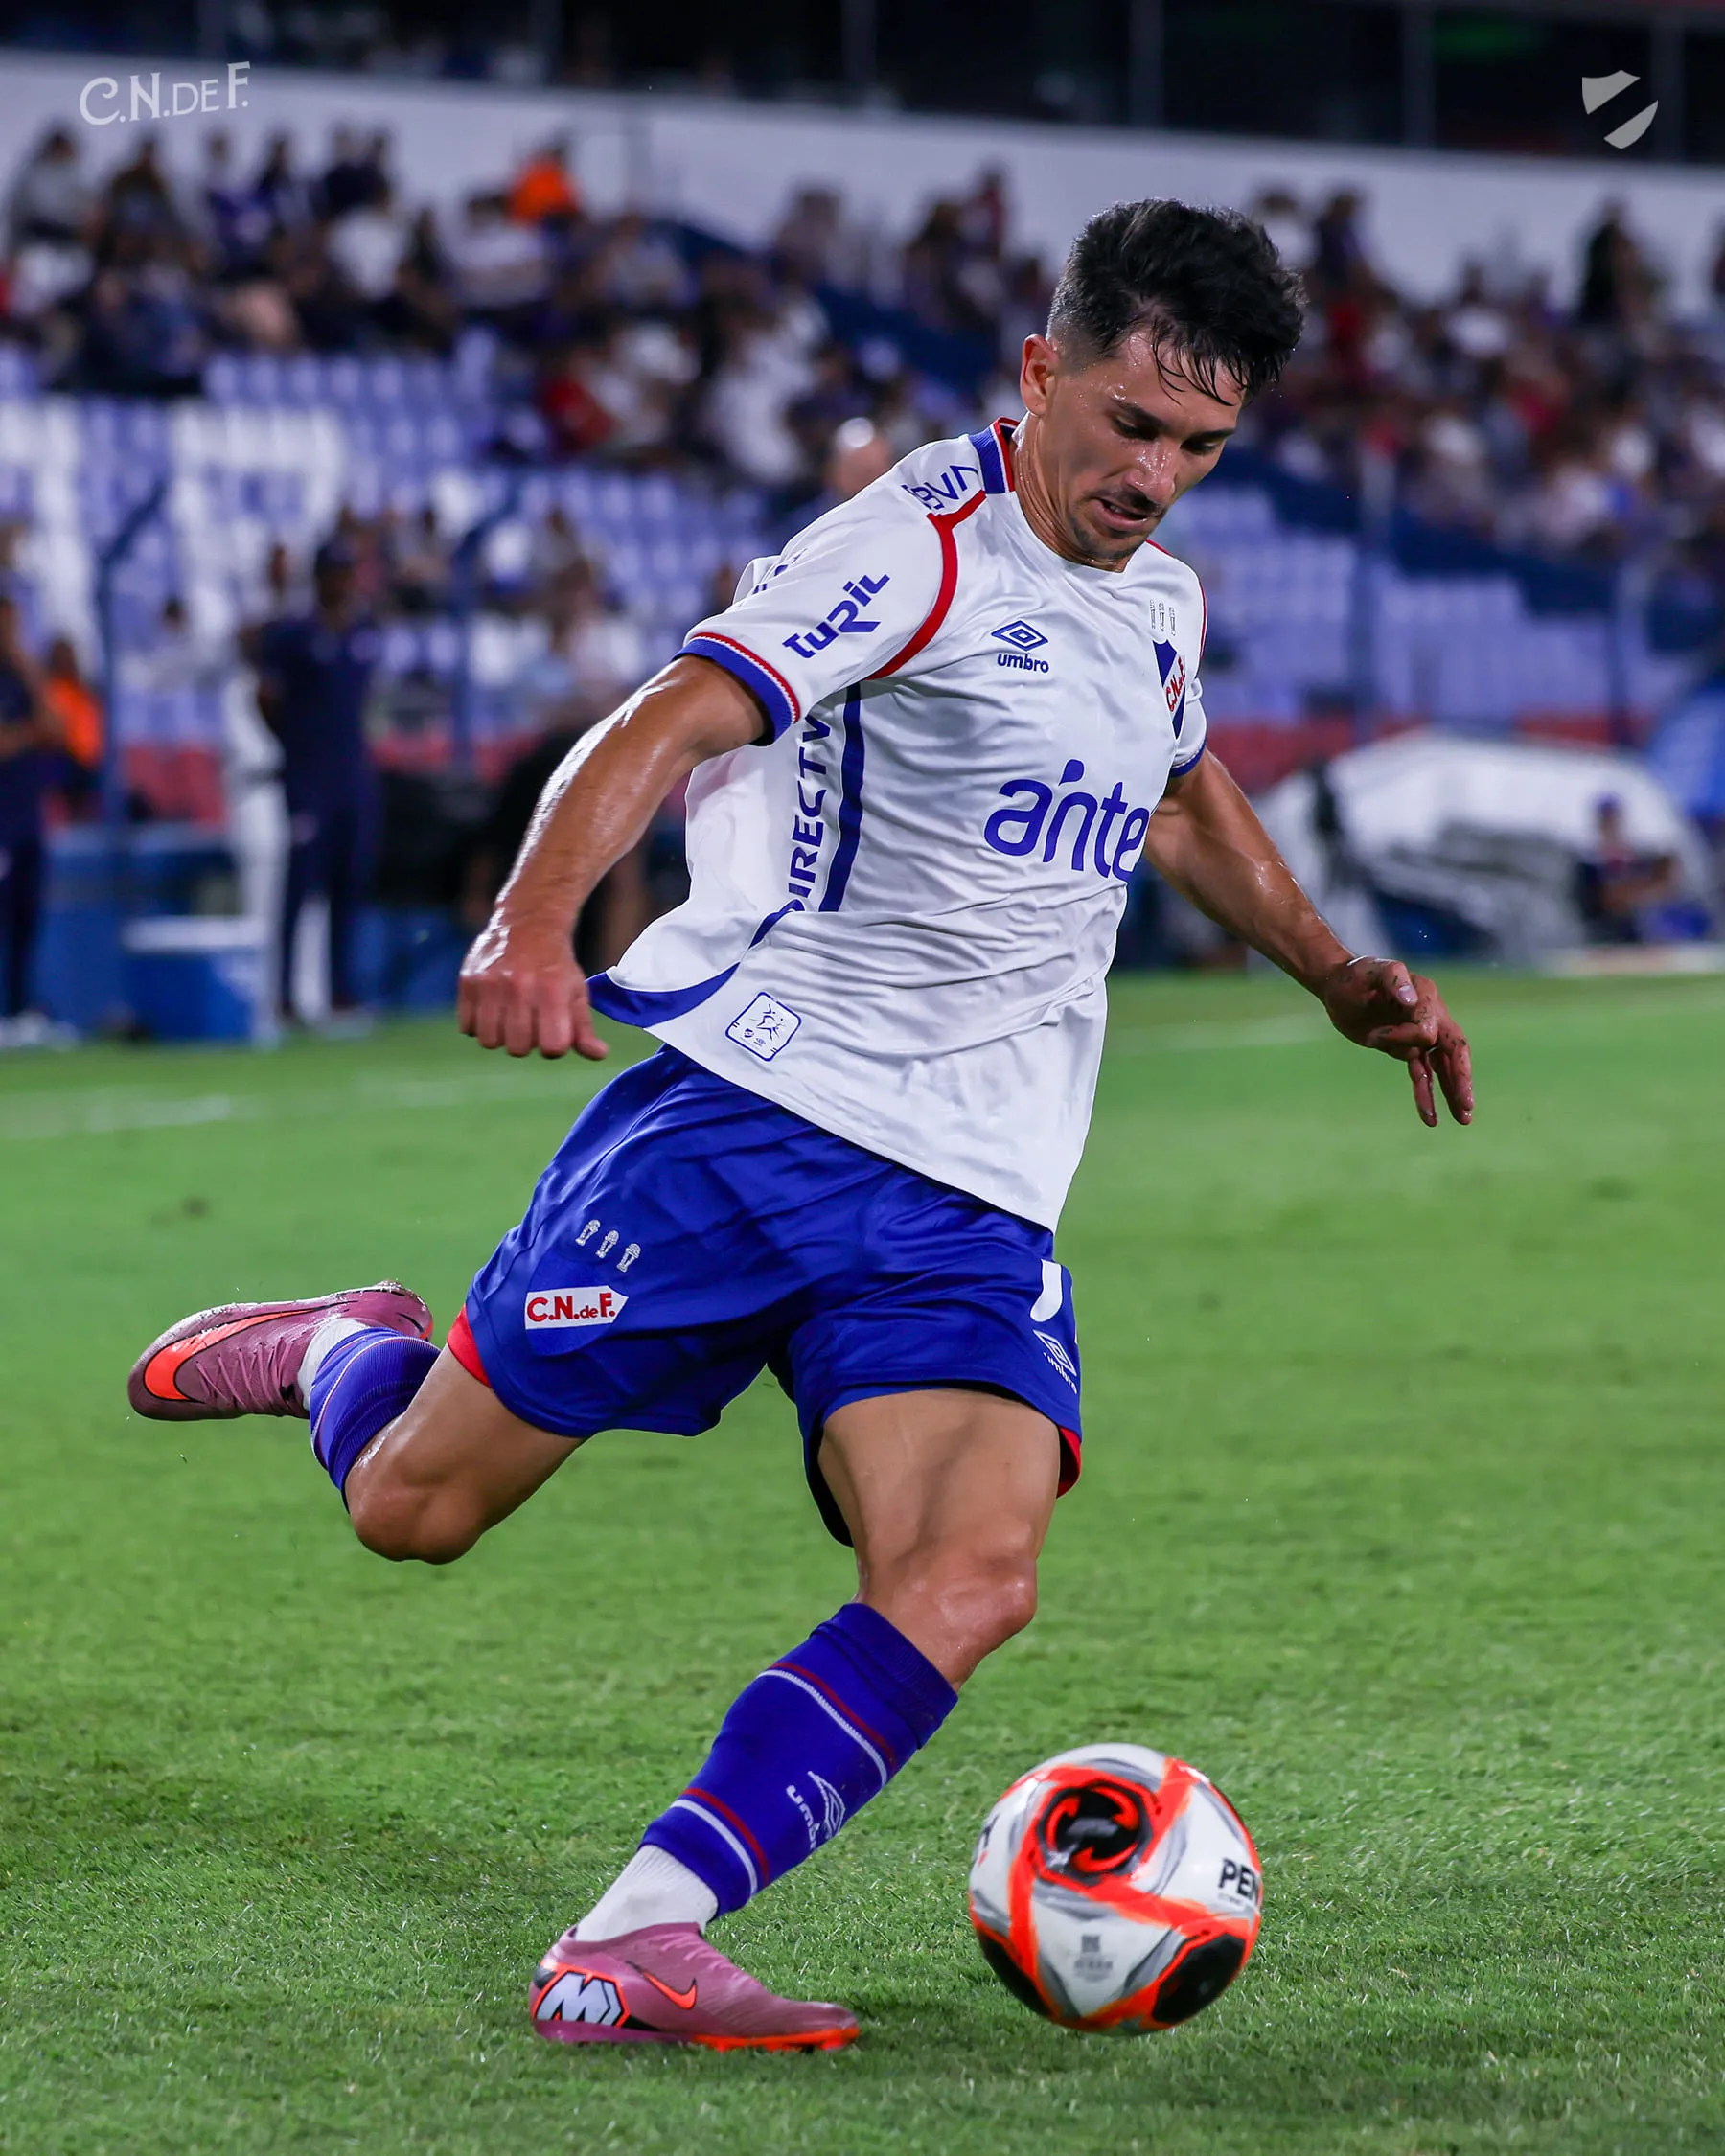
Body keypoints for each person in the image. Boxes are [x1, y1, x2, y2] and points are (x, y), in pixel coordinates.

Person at [127, 200, 1473, 2049]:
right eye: (1130, 427)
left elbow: (1178, 795)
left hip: (970, 1193)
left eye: (1200, 447)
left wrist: (1332, 972)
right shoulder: (912, 548)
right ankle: (346, 1351)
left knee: (970, 1575)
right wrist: (529, 922)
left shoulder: (1154, 598)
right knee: (413, 1512)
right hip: (752, 1126)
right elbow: (674, 716)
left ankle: (641, 1933)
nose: (1155, 479)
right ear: (1042, 372)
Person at [247, 542, 380, 1023]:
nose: (344, 583)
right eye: (336, 574)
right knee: (301, 883)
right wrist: (295, 744)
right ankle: (284, 995)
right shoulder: (292, 635)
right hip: (310, 776)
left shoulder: (363, 632)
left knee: (349, 882)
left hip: (351, 773)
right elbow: (265, 696)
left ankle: (342, 993)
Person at [0, 596, 65, 1039]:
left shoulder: (22, 678)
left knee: (28, 915)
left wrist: (30, 672)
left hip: (26, 814)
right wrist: (29, 734)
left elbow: (56, 729)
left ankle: (21, 1010)